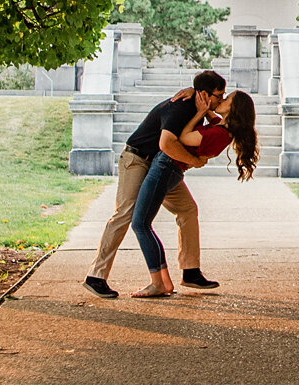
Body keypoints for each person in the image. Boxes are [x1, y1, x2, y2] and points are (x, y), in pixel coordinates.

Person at [84, 70, 225, 298]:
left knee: (187, 209)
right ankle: (96, 276)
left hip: (160, 167)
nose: (221, 99)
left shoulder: (196, 107)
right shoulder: (181, 107)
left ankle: (190, 271)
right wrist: (196, 162)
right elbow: (167, 143)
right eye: (219, 95)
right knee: (126, 214)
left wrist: (205, 109)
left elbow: (214, 123)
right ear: (204, 94)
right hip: (137, 160)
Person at [127, 90, 258, 298]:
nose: (221, 100)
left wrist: (198, 114)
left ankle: (157, 283)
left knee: (140, 224)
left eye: (227, 99)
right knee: (187, 210)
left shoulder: (219, 133)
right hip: (171, 169)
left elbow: (183, 137)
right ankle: (182, 275)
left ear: (234, 109)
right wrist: (195, 92)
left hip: (165, 167)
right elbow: (211, 114)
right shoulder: (222, 126)